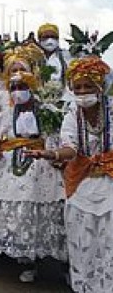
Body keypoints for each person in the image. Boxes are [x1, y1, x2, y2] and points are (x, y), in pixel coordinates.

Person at [0, 68, 66, 283]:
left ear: (32, 89)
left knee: (47, 213)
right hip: (10, 166)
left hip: (42, 166)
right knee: (21, 216)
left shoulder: (47, 111)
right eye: (13, 88)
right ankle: (27, 263)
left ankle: (63, 266)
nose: (17, 92)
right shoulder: (6, 115)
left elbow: (57, 137)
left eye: (22, 87)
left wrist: (50, 153)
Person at [27, 56, 113, 293]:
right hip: (81, 184)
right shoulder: (71, 115)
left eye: (88, 86)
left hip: (110, 184)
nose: (83, 92)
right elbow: (70, 149)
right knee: (83, 242)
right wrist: (50, 154)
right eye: (78, 88)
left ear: (100, 87)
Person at [37, 23, 72, 88]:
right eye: (46, 37)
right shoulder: (34, 58)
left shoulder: (66, 56)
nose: (50, 40)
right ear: (39, 39)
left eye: (53, 37)